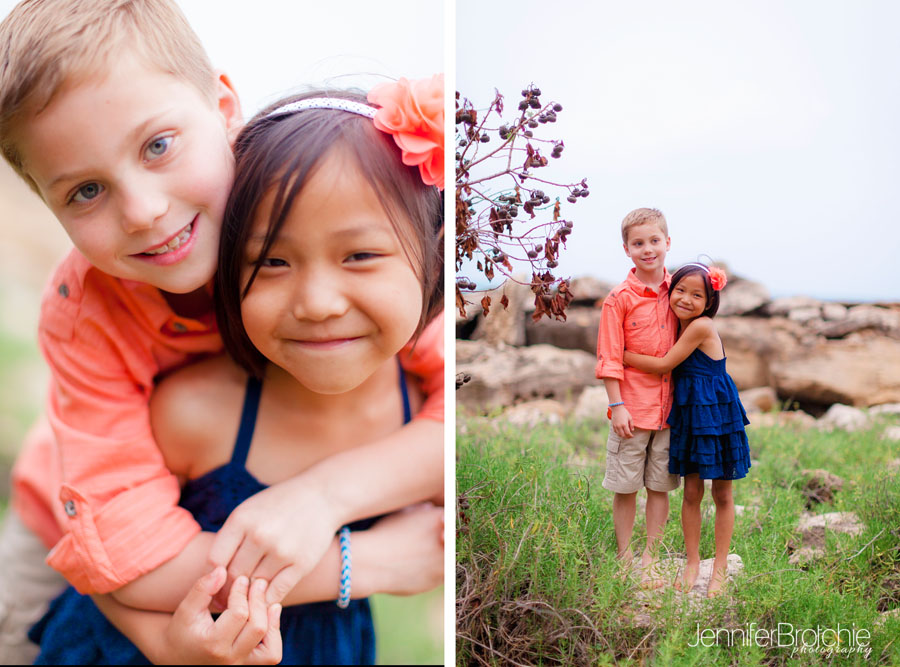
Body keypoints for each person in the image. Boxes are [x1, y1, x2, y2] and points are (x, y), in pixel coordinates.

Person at [0, 0, 444, 662]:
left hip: (241, 532)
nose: (145, 212)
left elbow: (448, 400)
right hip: (68, 525)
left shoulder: (314, 210)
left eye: (157, 145)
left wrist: (327, 495)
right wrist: (358, 563)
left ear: (224, 107)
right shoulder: (85, 310)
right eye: (84, 192)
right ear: (46, 200)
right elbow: (123, 551)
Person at [623, 262, 751, 597]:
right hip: (691, 416)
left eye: (698, 295)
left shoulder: (701, 326)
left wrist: (620, 354)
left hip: (717, 413)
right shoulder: (673, 325)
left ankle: (719, 570)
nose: (686, 299)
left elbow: (665, 364)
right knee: (692, 493)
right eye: (680, 290)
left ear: (709, 302)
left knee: (722, 494)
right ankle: (693, 562)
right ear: (669, 291)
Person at [595, 208, 680, 588]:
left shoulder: (680, 290)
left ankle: (651, 555)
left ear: (667, 242)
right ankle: (625, 554)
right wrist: (617, 406)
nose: (648, 249)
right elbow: (610, 358)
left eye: (654, 241)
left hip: (671, 411)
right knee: (626, 486)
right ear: (626, 249)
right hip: (632, 409)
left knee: (660, 485)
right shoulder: (619, 299)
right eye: (638, 243)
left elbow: (706, 307)